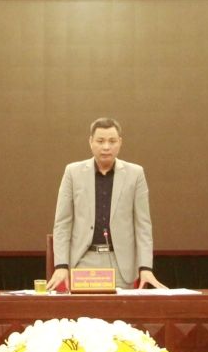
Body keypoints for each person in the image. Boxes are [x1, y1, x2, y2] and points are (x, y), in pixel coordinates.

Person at [48, 117, 163, 291]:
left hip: (121, 263)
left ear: (120, 142)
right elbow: (62, 223)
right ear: (90, 142)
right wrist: (61, 265)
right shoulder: (73, 172)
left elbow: (143, 226)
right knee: (84, 309)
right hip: (83, 261)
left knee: (121, 309)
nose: (106, 147)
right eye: (100, 141)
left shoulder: (135, 174)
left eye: (112, 141)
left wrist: (145, 268)